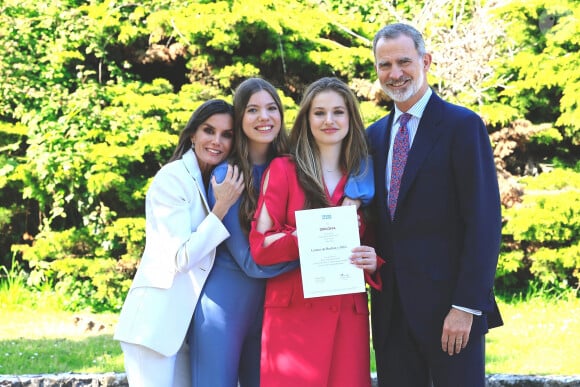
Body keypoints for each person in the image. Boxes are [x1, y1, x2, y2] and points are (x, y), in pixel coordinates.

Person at [188, 78, 374, 387]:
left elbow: (373, 241)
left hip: (300, 303)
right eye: (252, 110)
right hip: (232, 301)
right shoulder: (234, 175)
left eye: (271, 108)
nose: (264, 117)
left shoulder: (357, 176)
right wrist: (320, 240)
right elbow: (253, 258)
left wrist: (364, 256)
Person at [366, 23, 503, 387]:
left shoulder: (462, 126)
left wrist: (466, 306)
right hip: (391, 314)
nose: (394, 74)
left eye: (404, 62)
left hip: (450, 313)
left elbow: (484, 223)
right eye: (384, 65)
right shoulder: (373, 136)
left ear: (425, 60)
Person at [249, 77, 382, 387]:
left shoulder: (366, 175)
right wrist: (315, 233)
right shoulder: (283, 170)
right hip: (292, 318)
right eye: (319, 113)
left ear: (351, 118)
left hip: (347, 317)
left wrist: (374, 261)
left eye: (338, 112)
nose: (329, 121)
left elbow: (379, 246)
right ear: (307, 119)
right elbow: (260, 246)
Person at [114, 99, 244, 387]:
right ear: (193, 134)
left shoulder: (214, 178)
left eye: (226, 135)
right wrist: (221, 208)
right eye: (209, 131)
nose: (217, 141)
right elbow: (181, 258)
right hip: (154, 327)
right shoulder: (172, 179)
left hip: (185, 330)